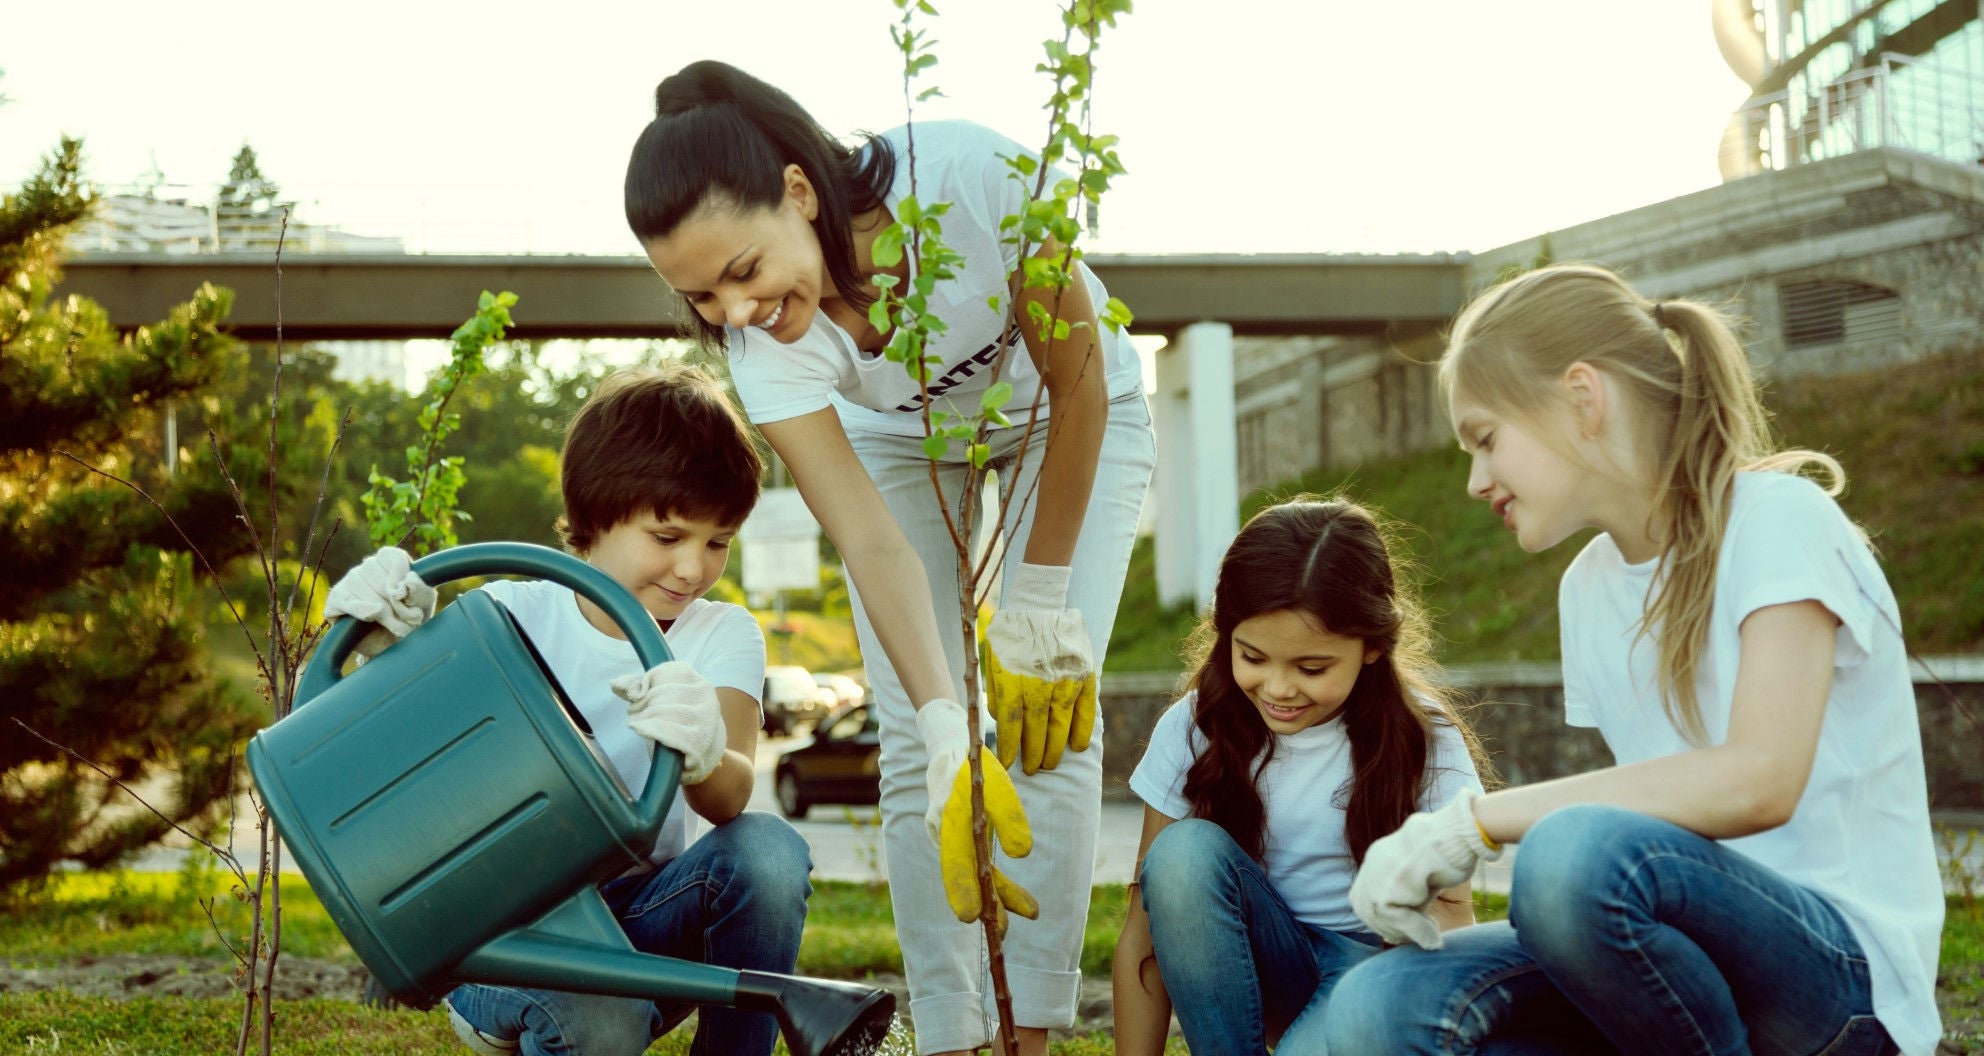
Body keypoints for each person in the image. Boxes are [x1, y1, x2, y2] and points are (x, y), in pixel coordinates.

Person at [622, 59, 1155, 1056]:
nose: (734, 312)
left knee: (1052, 718)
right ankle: (953, 1035)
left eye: (742, 272)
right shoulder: (766, 348)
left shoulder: (972, 178)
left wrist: (1039, 602)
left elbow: (1075, 386)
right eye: (701, 298)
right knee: (917, 743)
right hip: (901, 443)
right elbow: (868, 537)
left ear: (798, 190)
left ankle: (1025, 1033)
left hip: (1065, 413)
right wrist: (950, 716)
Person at [1324, 263, 1945, 1055]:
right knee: (1377, 1007)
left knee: (1570, 857)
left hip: (1841, 986)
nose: (1477, 481)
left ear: (1583, 397)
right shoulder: (1588, 590)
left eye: (1486, 439)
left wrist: (1470, 825)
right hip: (1688, 981)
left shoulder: (1780, 521)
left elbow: (1761, 779)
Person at [324, 364, 811, 1056]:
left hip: (639, 923)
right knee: (600, 1022)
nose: (693, 569)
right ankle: (559, 1025)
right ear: (594, 517)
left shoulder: (719, 633)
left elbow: (731, 795)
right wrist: (383, 650)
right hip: (506, 940)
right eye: (668, 537)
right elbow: (391, 766)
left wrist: (702, 750)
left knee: (769, 852)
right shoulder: (507, 614)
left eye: (718, 542)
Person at [1109, 497, 1490, 1055]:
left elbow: (1452, 917)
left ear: (1374, 647)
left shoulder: (1423, 739)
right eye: (1253, 656)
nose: (1279, 689)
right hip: (1256, 970)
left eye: (1311, 668)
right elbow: (1141, 938)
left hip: (1376, 975)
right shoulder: (1195, 728)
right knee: (1180, 854)